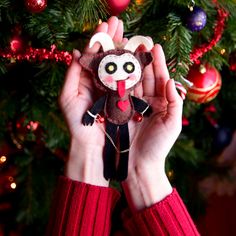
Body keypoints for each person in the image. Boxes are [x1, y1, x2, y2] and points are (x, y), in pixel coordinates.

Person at [46, 16, 200, 236]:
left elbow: (136, 103)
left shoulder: (132, 89)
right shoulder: (104, 91)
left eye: (127, 68)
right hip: (110, 120)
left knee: (123, 142)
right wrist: (89, 120)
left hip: (129, 121)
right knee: (112, 142)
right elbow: (100, 104)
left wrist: (143, 167)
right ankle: (111, 166)